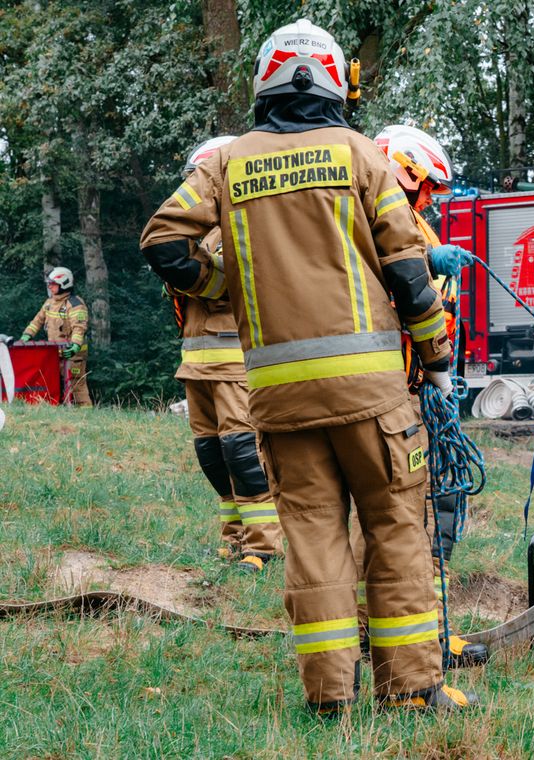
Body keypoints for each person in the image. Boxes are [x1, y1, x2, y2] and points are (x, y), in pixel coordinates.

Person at [139, 19, 474, 714]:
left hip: (280, 402)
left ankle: (329, 698)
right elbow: (410, 275)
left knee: (315, 542)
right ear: (334, 81)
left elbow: (164, 240)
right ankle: (410, 690)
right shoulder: (360, 154)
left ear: (264, 82)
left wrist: (221, 285)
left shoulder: (228, 163)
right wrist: (437, 362)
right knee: (394, 532)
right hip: (373, 398)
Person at [346, 125, 487, 670]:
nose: (430, 198)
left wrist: (444, 377)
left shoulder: (412, 221)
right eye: (425, 186)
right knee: (411, 514)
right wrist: (430, 265)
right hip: (392, 393)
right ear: (400, 167)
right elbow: (382, 282)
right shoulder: (367, 212)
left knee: (429, 509)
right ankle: (408, 634)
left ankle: (417, 628)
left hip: (419, 387)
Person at [170, 135, 282, 573]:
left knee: (243, 453)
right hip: (196, 364)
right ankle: (232, 540)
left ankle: (264, 546)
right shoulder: (195, 231)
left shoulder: (245, 224)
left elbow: (231, 284)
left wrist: (191, 271)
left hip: (235, 364)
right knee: (213, 456)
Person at [20, 267, 92, 406]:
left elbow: (79, 327)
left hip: (73, 354)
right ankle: (64, 410)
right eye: (49, 284)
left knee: (75, 384)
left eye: (53, 284)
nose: (50, 287)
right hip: (55, 353)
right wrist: (26, 336)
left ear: (64, 284)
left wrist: (75, 346)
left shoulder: (75, 304)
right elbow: (37, 321)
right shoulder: (49, 303)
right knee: (55, 383)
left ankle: (85, 412)